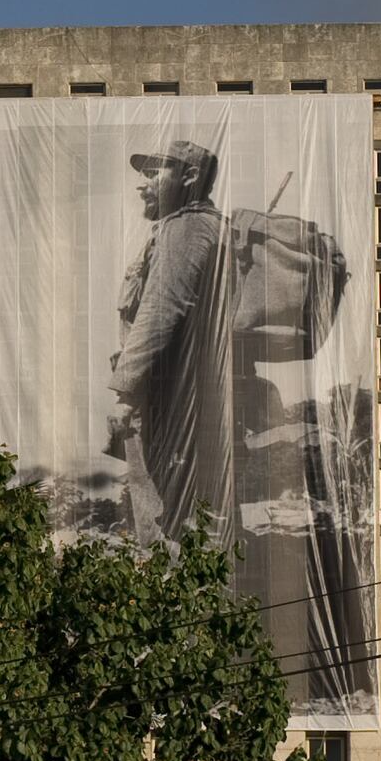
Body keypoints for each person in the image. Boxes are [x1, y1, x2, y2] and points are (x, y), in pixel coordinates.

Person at [108, 138, 232, 541]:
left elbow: (160, 311)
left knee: (165, 522)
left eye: (154, 173)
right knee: (171, 515)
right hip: (172, 395)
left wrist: (125, 392)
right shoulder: (183, 227)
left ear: (190, 176)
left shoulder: (188, 227)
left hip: (171, 401)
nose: (143, 185)